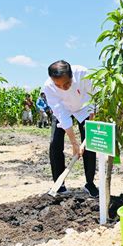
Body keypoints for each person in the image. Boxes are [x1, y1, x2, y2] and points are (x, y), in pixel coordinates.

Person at [43, 60, 98, 197]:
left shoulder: (83, 74)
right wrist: (74, 143)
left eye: (67, 83)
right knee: (55, 143)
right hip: (63, 111)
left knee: (89, 145)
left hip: (85, 108)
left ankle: (89, 184)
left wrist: (92, 119)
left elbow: (95, 97)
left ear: (72, 75)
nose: (63, 87)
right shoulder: (49, 87)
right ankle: (59, 185)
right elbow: (61, 114)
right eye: (59, 85)